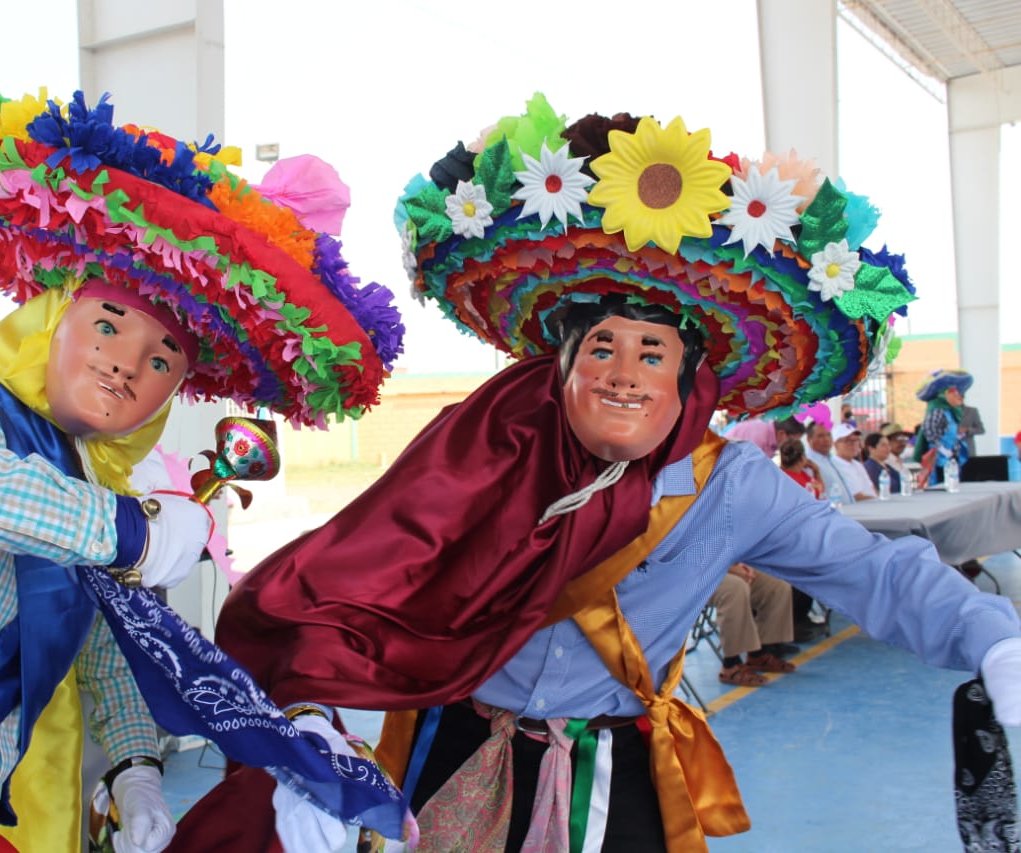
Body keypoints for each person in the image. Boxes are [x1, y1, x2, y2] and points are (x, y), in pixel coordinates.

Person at [170, 94, 1021, 853]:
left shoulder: (732, 485)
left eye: (651, 351)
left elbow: (874, 572)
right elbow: (356, 576)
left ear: (691, 376)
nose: (622, 371)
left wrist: (993, 636)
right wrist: (312, 723)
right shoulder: (485, 447)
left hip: (616, 769)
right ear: (561, 364)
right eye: (600, 346)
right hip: (453, 743)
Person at [0, 88, 405, 853]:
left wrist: (135, 769)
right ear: (55, 318)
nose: (125, 363)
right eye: (109, 324)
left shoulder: (75, 484)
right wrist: (130, 530)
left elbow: (94, 640)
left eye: (161, 358)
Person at [709, 563, 797, 687]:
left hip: (722, 565)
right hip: (689, 574)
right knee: (735, 588)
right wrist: (729, 569)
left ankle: (759, 654)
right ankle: (730, 665)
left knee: (777, 584)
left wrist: (742, 564)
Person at [912, 368, 974, 486]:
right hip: (938, 459)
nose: (960, 396)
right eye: (955, 392)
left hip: (950, 458)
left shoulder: (950, 412)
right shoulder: (938, 410)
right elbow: (929, 430)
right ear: (945, 393)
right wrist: (942, 449)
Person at [804, 420, 852, 504]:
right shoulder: (808, 463)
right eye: (820, 436)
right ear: (809, 439)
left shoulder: (833, 460)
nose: (826, 439)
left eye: (828, 435)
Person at [831, 423, 877, 501]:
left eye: (856, 440)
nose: (854, 444)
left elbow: (872, 489)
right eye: (848, 441)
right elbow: (856, 497)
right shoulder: (834, 466)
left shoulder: (858, 465)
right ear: (836, 444)